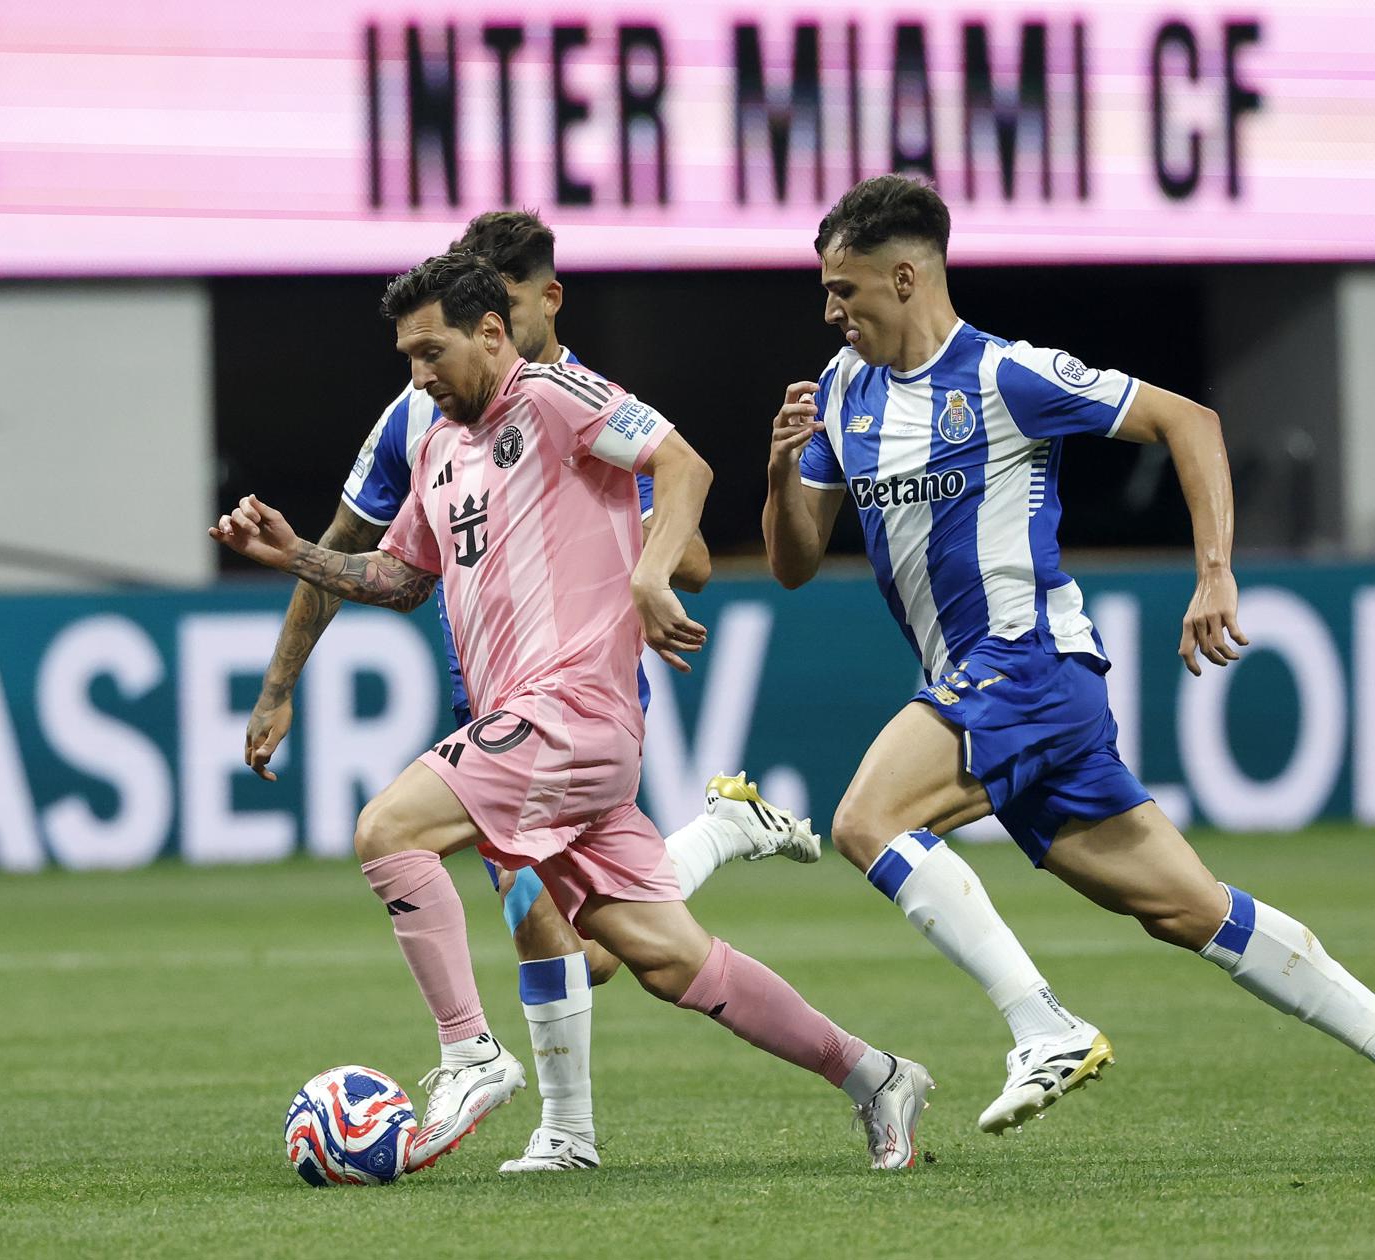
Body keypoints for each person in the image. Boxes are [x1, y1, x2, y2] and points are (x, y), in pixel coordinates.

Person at [760, 175, 1375, 1164]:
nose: (831, 311)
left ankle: (1042, 1025)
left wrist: (1214, 573)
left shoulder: (1008, 375)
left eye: (845, 290)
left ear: (907, 277)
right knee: (1189, 908)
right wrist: (779, 474)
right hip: (989, 689)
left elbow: (1192, 423)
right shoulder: (844, 391)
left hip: (1028, 663)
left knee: (866, 821)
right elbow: (793, 564)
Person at [213, 252, 934, 1174]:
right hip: (545, 733)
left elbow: (684, 464)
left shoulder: (558, 396)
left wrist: (649, 575)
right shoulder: (434, 447)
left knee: (389, 829)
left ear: (491, 333)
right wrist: (296, 555)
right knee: (668, 960)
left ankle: (469, 1055)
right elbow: (401, 578)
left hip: (571, 711)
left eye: (431, 353)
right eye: (407, 359)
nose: (419, 377)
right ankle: (877, 1075)